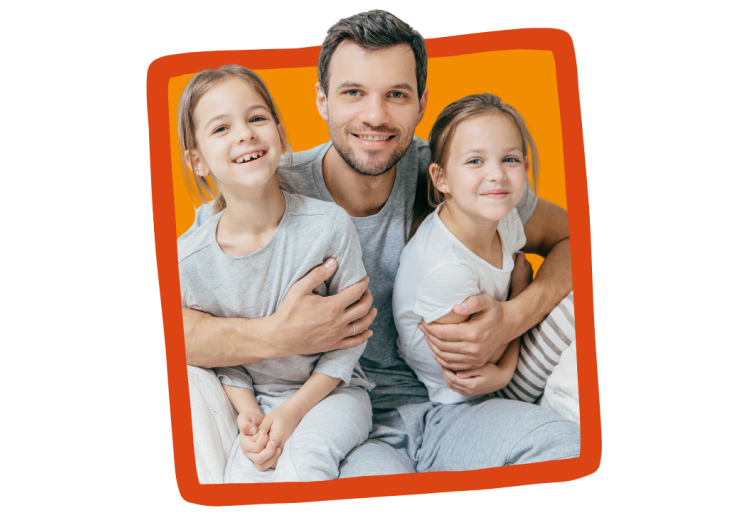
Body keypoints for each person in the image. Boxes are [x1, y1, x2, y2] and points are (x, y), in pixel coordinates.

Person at [183, 10, 579, 479]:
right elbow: (172, 323)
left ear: (422, 104)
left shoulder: (459, 172)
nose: (375, 115)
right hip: (340, 424)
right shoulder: (263, 189)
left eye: (396, 94)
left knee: (564, 444)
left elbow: (576, 237)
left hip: (452, 410)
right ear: (322, 100)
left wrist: (514, 317)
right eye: (353, 93)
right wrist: (279, 335)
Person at [176, 65, 374, 482]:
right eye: (220, 129)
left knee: (304, 467)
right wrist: (250, 415)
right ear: (197, 161)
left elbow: (352, 339)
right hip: (256, 402)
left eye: (257, 118)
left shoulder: (328, 226)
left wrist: (291, 413)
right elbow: (222, 355)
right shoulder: (190, 260)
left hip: (334, 393)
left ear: (281, 135)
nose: (244, 134)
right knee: (242, 480)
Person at [394, 93, 575, 406]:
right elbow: (473, 367)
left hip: (503, 356)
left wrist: (515, 311)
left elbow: (576, 237)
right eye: (475, 161)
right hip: (476, 391)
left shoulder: (502, 217)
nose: (497, 174)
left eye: (510, 159)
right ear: (441, 178)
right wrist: (521, 289)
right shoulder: (446, 269)